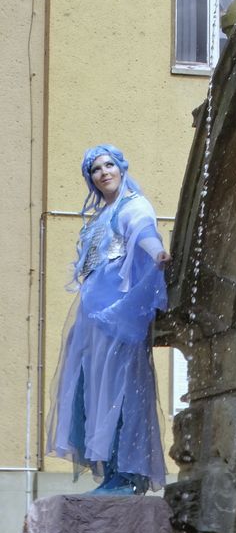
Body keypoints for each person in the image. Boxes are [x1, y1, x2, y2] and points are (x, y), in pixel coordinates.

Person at [46, 145, 169, 493]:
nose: (104, 172)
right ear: (92, 179)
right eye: (96, 169)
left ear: (121, 167)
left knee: (121, 388)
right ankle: (112, 472)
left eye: (109, 165)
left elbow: (144, 232)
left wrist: (157, 252)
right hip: (92, 313)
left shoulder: (133, 205)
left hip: (118, 310)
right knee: (92, 390)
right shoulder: (100, 218)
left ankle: (127, 475)